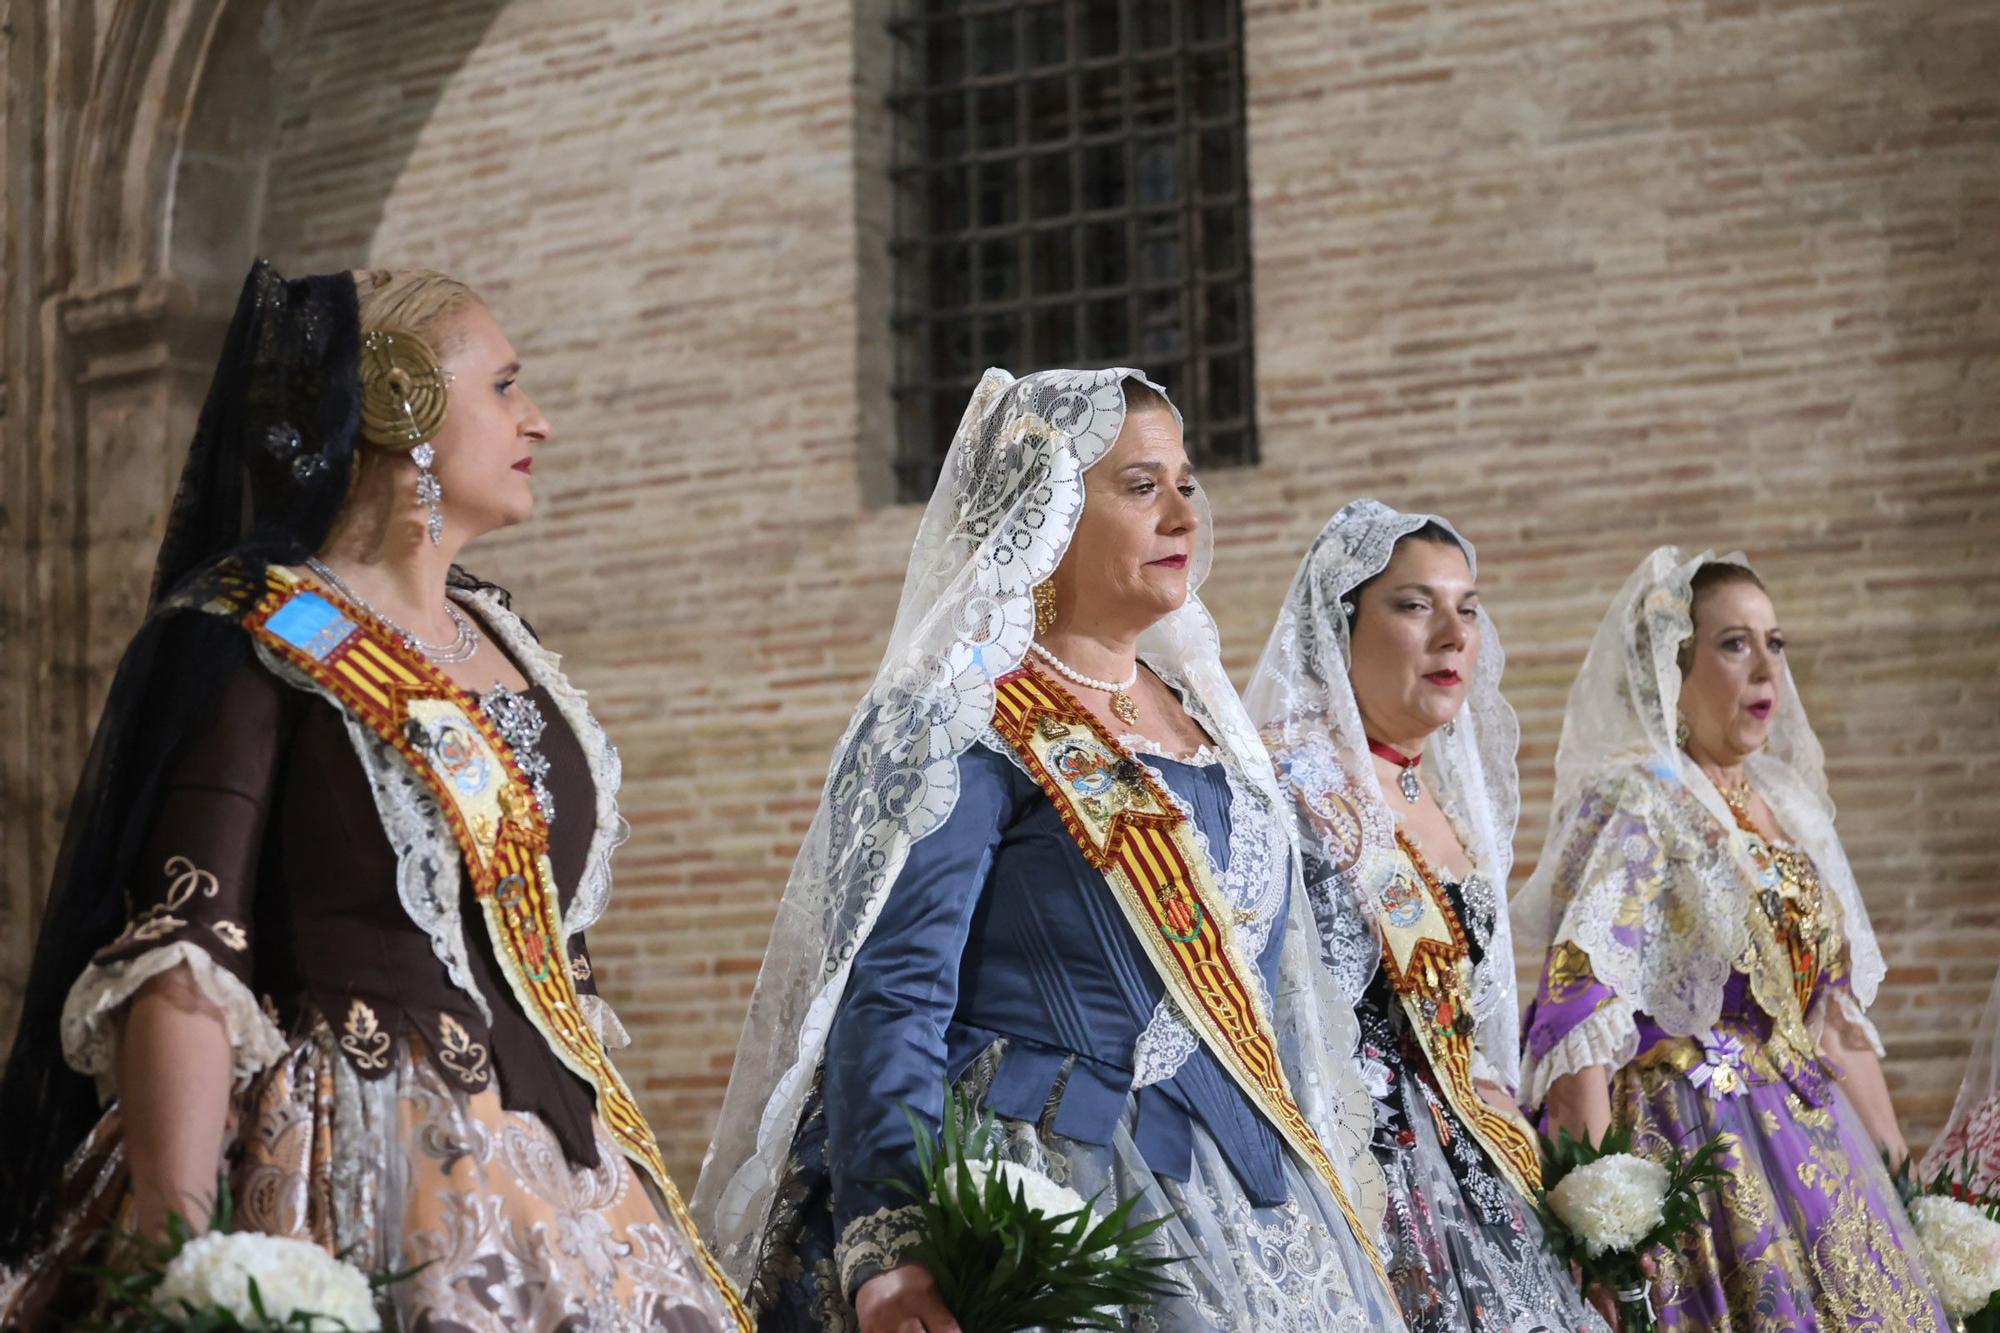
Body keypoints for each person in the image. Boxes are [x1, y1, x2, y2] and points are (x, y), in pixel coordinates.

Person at [0, 261, 749, 1331]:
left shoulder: (504, 634)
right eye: (503, 386)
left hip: (572, 1182)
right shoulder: (263, 632)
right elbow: (184, 958)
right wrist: (180, 1256)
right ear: (403, 404)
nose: (536, 419)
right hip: (359, 1161)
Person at [692, 368, 1403, 1332]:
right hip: (1051, 1181)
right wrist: (892, 1251)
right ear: (1049, 510)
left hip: (1250, 1191)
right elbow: (897, 990)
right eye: (1141, 485)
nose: (1183, 512)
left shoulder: (1211, 729)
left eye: (1186, 481)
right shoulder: (966, 720)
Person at [1516, 546, 1949, 1330]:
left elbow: (1836, 1017)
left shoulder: (1791, 806)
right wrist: (1598, 1217)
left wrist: (1903, 1185)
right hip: (1694, 1139)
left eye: (1774, 642)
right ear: (1672, 668)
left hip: (1813, 1137)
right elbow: (1577, 1006)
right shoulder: (1639, 799)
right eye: (1733, 642)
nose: (1765, 668)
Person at [1246, 500, 1606, 1332]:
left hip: (1473, 1159)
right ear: (1340, 624)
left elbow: (1469, 1022)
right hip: (1356, 1159)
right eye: (1415, 605)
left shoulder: (1438, 797)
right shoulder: (1288, 782)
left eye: (1467, 609)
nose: (1453, 633)